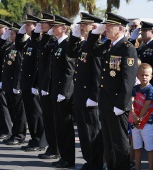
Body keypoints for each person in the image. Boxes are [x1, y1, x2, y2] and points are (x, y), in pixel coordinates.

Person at [86, 12, 138, 170]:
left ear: (120, 28)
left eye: (109, 26)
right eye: (106, 26)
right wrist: (95, 33)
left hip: (117, 105)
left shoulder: (127, 48)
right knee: (108, 144)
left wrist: (121, 104)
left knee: (120, 144)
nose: (106, 29)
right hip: (105, 102)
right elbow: (90, 50)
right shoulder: (109, 45)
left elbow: (128, 81)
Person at [67, 12, 103, 170]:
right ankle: (89, 161)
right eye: (80, 25)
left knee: (92, 133)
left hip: (90, 97)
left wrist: (94, 97)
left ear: (94, 27)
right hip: (81, 96)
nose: (81, 27)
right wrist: (74, 37)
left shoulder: (96, 46)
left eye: (84, 25)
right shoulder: (84, 44)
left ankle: (96, 163)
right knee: (83, 133)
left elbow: (98, 74)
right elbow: (70, 53)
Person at [41, 15, 76, 168]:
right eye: (53, 26)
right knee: (59, 126)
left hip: (63, 94)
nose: (53, 29)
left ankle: (68, 159)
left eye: (56, 27)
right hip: (55, 91)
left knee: (65, 127)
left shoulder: (67, 44)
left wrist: (64, 92)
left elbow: (69, 71)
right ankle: (63, 156)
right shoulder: (56, 44)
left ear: (64, 28)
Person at [32, 13, 60, 159]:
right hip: (44, 84)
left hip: (50, 86)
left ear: (51, 25)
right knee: (47, 118)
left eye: (44, 24)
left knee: (52, 119)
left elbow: (49, 66)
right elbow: (36, 45)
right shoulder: (46, 40)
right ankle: (52, 147)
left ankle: (55, 148)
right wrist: (37, 32)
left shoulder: (54, 40)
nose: (41, 25)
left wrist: (46, 86)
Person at [16, 14, 44, 151]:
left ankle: (39, 141)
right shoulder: (29, 42)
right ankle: (34, 138)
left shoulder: (39, 41)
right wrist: (20, 33)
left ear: (37, 26)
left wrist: (37, 85)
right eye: (25, 25)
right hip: (26, 82)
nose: (26, 27)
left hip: (34, 83)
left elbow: (39, 65)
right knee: (30, 113)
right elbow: (19, 45)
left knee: (36, 114)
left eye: (29, 25)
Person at [1, 22, 27, 145]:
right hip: (8, 84)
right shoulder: (10, 47)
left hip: (15, 85)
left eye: (12, 33)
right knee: (12, 110)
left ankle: (19, 135)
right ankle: (14, 133)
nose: (11, 35)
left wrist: (17, 85)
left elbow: (19, 68)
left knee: (19, 112)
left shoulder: (19, 48)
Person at [130, 63, 153, 170]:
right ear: (137, 76)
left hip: (147, 123)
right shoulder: (134, 88)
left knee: (149, 148)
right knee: (137, 147)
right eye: (142, 75)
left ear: (151, 76)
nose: (144, 77)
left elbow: (147, 104)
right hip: (135, 122)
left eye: (147, 75)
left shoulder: (150, 89)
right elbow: (131, 102)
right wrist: (134, 116)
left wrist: (139, 119)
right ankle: (137, 168)